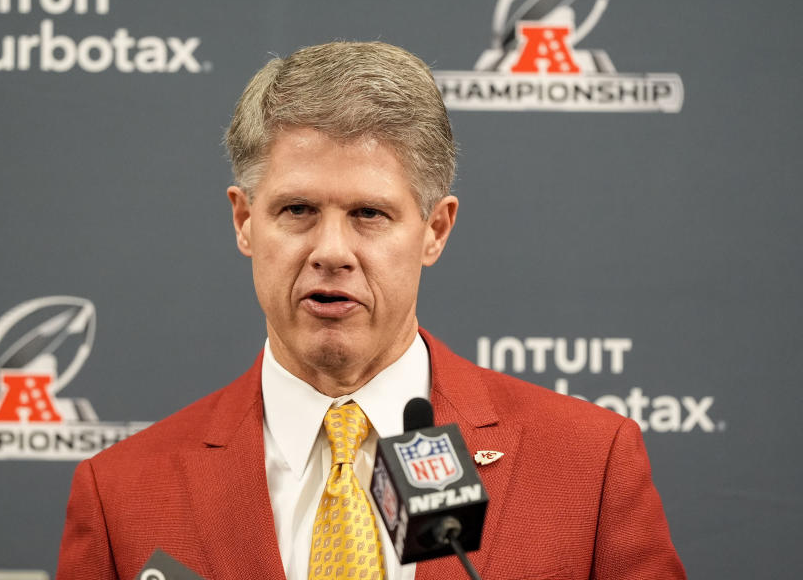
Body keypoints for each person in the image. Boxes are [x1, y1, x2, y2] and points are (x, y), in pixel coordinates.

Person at [56, 41, 686, 580]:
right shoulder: (123, 494)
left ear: (435, 229)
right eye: (297, 210)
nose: (332, 252)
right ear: (245, 222)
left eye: (370, 214)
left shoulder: (587, 465)